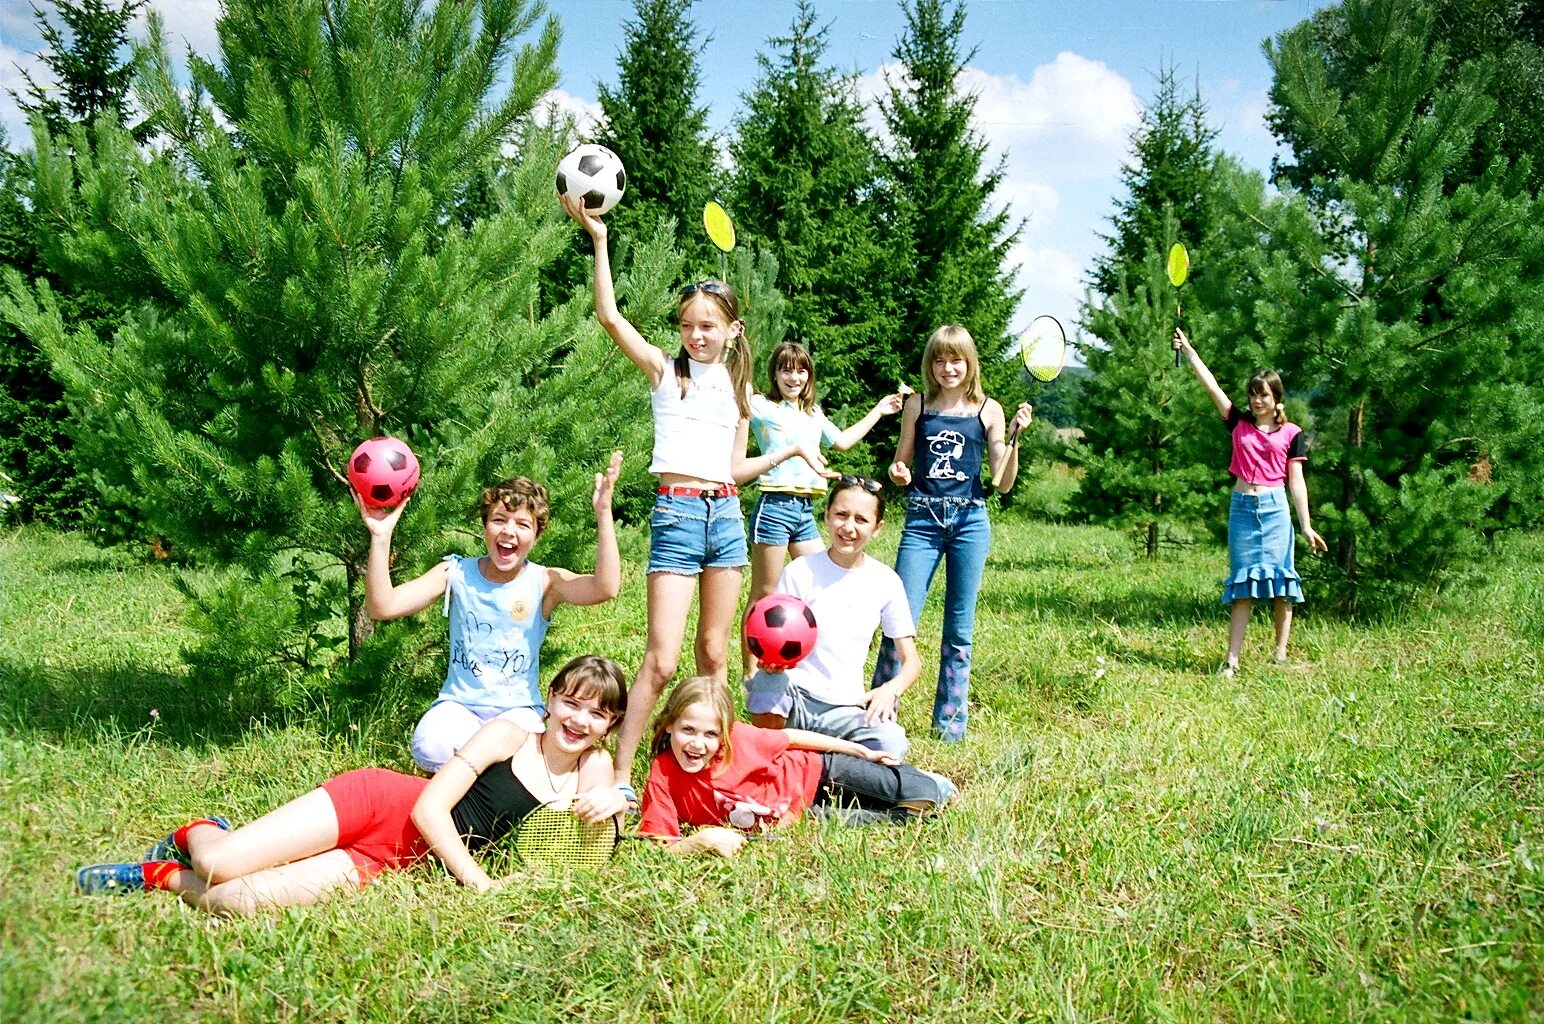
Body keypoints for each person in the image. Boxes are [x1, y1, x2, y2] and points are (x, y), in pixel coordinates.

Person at [562, 195, 828, 795]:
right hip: (678, 514)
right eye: (687, 325)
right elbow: (609, 316)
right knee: (660, 659)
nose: (695, 335)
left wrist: (785, 452)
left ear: (732, 331)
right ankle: (623, 776)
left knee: (714, 654)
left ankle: (717, 770)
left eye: (707, 325)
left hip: (727, 517)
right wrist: (600, 241)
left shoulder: (741, 388)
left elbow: (734, 469)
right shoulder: (665, 372)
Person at [74, 657, 632, 915]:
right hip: (381, 805)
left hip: (395, 861)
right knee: (221, 864)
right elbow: (432, 809)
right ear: (551, 698)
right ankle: (199, 831)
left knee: (231, 898)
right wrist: (478, 882)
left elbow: (602, 805)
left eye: (598, 714)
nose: (579, 720)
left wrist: (616, 799)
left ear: (609, 726)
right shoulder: (510, 733)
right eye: (571, 702)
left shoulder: (592, 768)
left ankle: (164, 874)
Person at [356, 451, 624, 773]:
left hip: (517, 711)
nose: (509, 531)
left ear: (536, 535)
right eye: (499, 520)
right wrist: (381, 537)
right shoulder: (454, 573)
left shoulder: (544, 582)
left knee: (518, 755)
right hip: (460, 707)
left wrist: (604, 514)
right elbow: (382, 606)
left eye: (523, 524)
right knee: (431, 745)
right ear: (484, 527)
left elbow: (604, 588)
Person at [871, 325, 1033, 742]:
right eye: (940, 359)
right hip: (922, 518)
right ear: (931, 364)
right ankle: (878, 713)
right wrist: (899, 472)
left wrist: (1014, 439)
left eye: (956, 359)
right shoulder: (917, 406)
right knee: (898, 618)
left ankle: (948, 728)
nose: (948, 368)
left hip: (970, 521)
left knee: (959, 628)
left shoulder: (989, 410)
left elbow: (1002, 481)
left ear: (969, 363)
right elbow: (900, 466)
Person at [638, 677, 954, 856]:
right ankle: (911, 804)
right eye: (688, 730)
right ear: (668, 726)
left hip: (817, 770)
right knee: (906, 820)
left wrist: (860, 751)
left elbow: (789, 738)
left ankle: (925, 781)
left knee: (926, 793)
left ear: (723, 734)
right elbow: (660, 847)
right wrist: (702, 841)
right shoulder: (663, 776)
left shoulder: (738, 738)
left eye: (710, 734)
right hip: (801, 815)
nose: (697, 743)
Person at [1173, 328, 1328, 675]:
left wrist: (1305, 524)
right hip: (1242, 509)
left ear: (1277, 398)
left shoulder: (1293, 434)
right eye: (1253, 395)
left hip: (1275, 511)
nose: (1257, 401)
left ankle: (1281, 654)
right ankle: (1231, 661)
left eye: (1264, 395)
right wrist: (1190, 352)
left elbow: (1296, 481)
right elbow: (1212, 388)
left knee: (1282, 585)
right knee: (1242, 587)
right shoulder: (1238, 423)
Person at [743, 342, 905, 674]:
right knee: (765, 592)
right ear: (774, 374)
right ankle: (752, 670)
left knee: (824, 579)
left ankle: (805, 652)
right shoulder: (762, 406)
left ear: (809, 375)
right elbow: (737, 387)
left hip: (805, 512)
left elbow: (842, 442)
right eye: (786, 369)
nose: (793, 377)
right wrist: (738, 344)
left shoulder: (813, 413)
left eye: (800, 370)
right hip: (774, 506)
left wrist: (879, 410)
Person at [745, 475, 920, 759]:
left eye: (861, 520)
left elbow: (911, 661)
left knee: (892, 744)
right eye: (841, 515)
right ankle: (780, 756)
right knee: (767, 683)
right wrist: (771, 664)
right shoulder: (801, 571)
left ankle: (809, 759)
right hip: (795, 696)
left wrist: (890, 689)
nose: (848, 527)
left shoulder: (886, 581)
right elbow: (771, 633)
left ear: (877, 528)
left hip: (847, 709)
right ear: (826, 515)